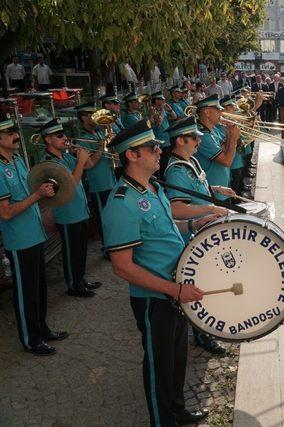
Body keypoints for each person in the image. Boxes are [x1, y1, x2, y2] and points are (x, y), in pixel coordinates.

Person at [102, 119, 212, 426]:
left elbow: (165, 229)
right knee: (159, 365)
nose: (158, 151)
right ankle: (162, 420)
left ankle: (176, 410)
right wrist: (174, 291)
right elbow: (122, 267)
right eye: (151, 148)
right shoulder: (121, 204)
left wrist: (192, 225)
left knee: (176, 360)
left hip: (174, 290)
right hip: (156, 299)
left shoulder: (154, 186)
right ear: (131, 155)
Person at [163, 115, 232, 354]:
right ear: (180, 140)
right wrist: (210, 207)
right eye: (194, 138)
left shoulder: (190, 161)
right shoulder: (176, 170)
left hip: (201, 232)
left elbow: (196, 190)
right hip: (190, 236)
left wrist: (215, 189)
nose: (198, 142)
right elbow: (176, 208)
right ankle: (202, 334)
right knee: (197, 284)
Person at [0, 116, 69, 355]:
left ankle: (42, 329)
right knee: (25, 292)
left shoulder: (17, 160)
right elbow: (6, 212)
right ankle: (31, 339)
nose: (15, 135)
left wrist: (45, 190)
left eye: (14, 130)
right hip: (19, 240)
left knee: (39, 288)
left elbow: (31, 193)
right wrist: (38, 195)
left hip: (35, 234)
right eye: (8, 132)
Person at [39, 119, 103, 297]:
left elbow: (89, 165)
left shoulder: (66, 156)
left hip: (80, 211)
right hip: (67, 214)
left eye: (64, 134)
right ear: (48, 140)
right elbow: (69, 186)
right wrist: (81, 161)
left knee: (81, 249)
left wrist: (85, 154)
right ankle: (73, 285)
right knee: (71, 251)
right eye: (59, 135)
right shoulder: (49, 162)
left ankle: (80, 279)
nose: (64, 138)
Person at [75, 103, 117, 252]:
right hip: (98, 184)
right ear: (83, 117)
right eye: (91, 114)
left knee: (112, 216)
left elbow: (110, 155)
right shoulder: (82, 138)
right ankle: (107, 248)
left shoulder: (98, 133)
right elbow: (89, 164)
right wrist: (102, 146)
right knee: (103, 218)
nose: (96, 117)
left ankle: (114, 244)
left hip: (110, 179)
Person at [193, 94, 240, 204]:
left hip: (221, 186)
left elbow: (224, 149)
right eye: (218, 110)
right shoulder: (203, 136)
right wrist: (233, 138)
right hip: (213, 192)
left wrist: (230, 133)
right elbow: (227, 161)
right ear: (207, 112)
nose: (221, 112)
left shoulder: (212, 130)